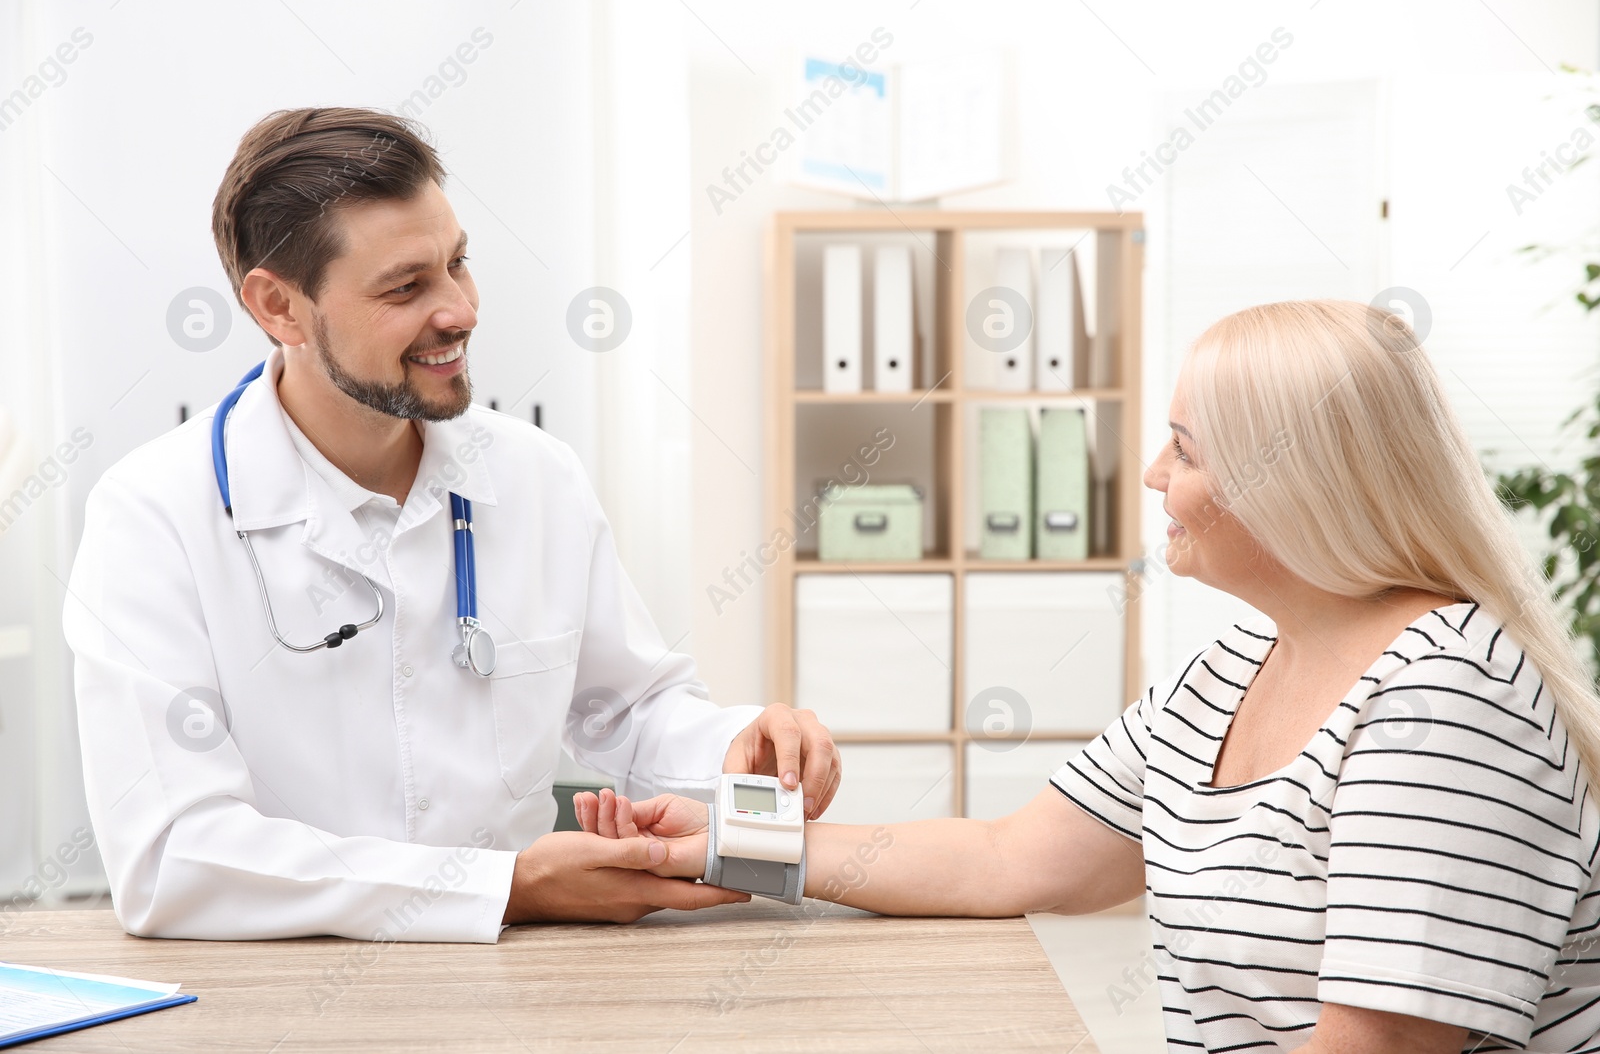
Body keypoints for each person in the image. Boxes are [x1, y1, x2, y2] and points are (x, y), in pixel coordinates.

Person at [578, 300, 1600, 1052]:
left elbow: (1376, 1051)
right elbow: (1004, 857)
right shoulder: (1236, 666)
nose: (1153, 472)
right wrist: (724, 838)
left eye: (1185, 449)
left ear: (1293, 487)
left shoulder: (1443, 699)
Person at [63, 107, 840, 943]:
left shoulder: (537, 477)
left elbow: (630, 706)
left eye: (459, 263)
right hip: (272, 993)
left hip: (509, 987)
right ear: (278, 306)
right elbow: (173, 857)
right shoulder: (151, 516)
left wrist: (738, 747)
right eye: (406, 287)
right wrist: (506, 886)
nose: (461, 309)